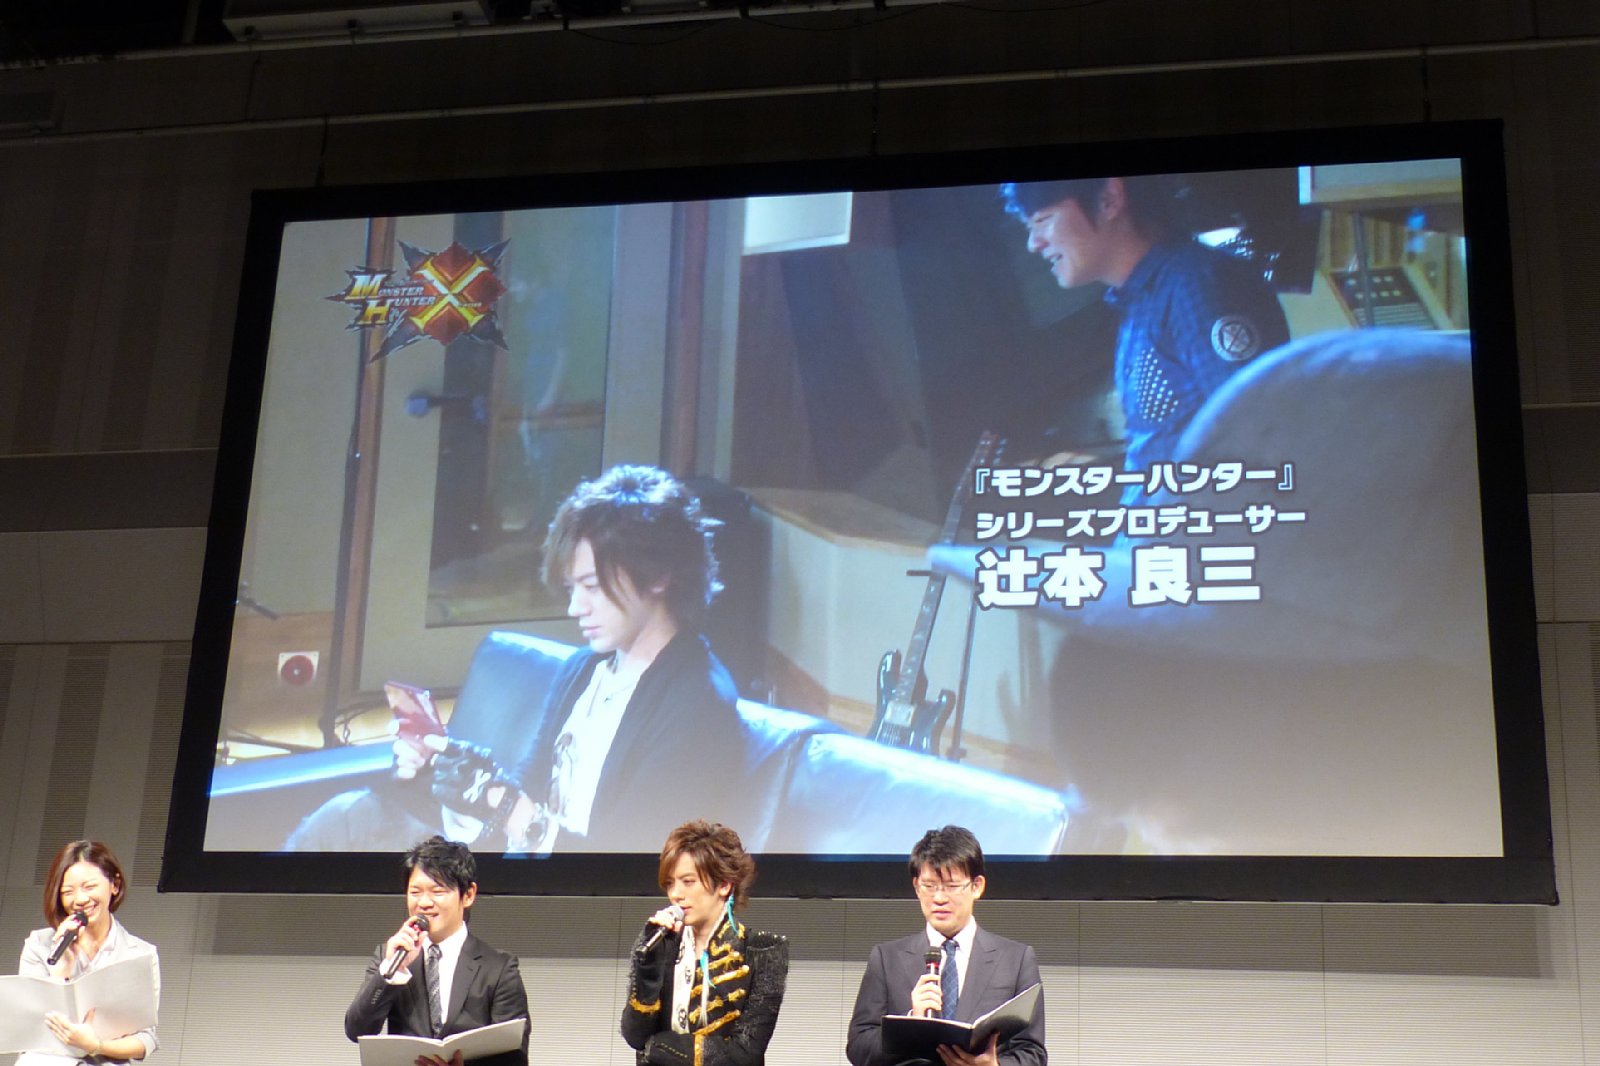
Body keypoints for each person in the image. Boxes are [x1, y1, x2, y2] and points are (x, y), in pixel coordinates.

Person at [419, 463, 746, 853]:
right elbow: (527, 789)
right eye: (572, 588)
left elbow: (628, 862)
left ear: (658, 574)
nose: (575, 607)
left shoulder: (699, 703)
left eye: (591, 586)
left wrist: (499, 800)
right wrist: (445, 777)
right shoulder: (583, 669)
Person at [1001, 176, 1289, 498]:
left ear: (1109, 199)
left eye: (1043, 220)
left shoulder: (1197, 285)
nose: (1034, 243)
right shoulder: (1141, 303)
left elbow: (1255, 438)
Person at [847, 826, 1046, 1066]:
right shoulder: (887, 958)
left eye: (952, 886)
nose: (939, 898)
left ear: (977, 886)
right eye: (929, 886)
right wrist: (910, 1023)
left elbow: (1033, 1052)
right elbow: (858, 1047)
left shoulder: (1016, 960)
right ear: (916, 887)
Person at [345, 836, 530, 1066]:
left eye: (437, 891)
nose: (424, 903)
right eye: (415, 892)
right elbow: (357, 1030)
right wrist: (391, 972)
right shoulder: (390, 957)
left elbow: (515, 1057)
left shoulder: (499, 968)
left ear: (468, 894)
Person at [622, 820, 788, 1066]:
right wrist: (648, 973)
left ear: (724, 884)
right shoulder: (657, 943)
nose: (675, 894)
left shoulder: (762, 951)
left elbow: (745, 1052)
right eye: (670, 883)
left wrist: (662, 1046)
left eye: (688, 881)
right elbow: (636, 1036)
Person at [17, 840, 159, 1065]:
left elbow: (146, 1039)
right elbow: (30, 1026)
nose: (80, 900)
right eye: (68, 892)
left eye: (90, 887)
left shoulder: (140, 954)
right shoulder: (39, 945)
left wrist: (95, 1045)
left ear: (114, 885)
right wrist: (62, 970)